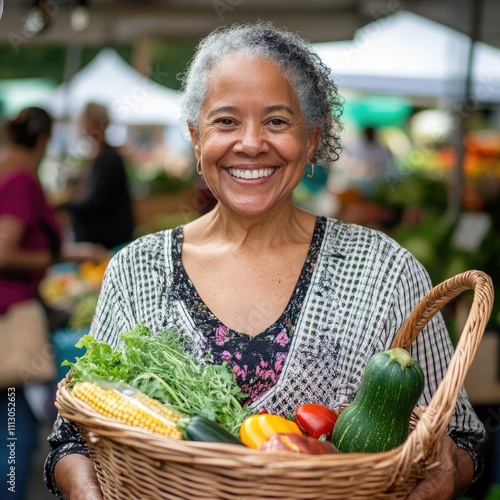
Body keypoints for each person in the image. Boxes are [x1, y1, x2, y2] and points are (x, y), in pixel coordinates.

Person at [44, 23, 485, 500]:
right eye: (226, 121)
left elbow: (461, 440)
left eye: (277, 121)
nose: (251, 143)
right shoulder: (137, 271)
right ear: (196, 139)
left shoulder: (385, 271)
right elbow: (72, 442)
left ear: (312, 139)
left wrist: (441, 480)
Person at [0, 107, 109, 500]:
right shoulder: (21, 180)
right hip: (11, 313)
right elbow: (5, 251)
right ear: (44, 140)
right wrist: (51, 260)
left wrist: (74, 253)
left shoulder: (5, 167)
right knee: (17, 425)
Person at [56, 102, 135, 250]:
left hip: (108, 244)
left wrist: (64, 205)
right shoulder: (101, 156)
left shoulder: (108, 159)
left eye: (85, 120)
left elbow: (95, 201)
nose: (81, 125)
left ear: (98, 123)